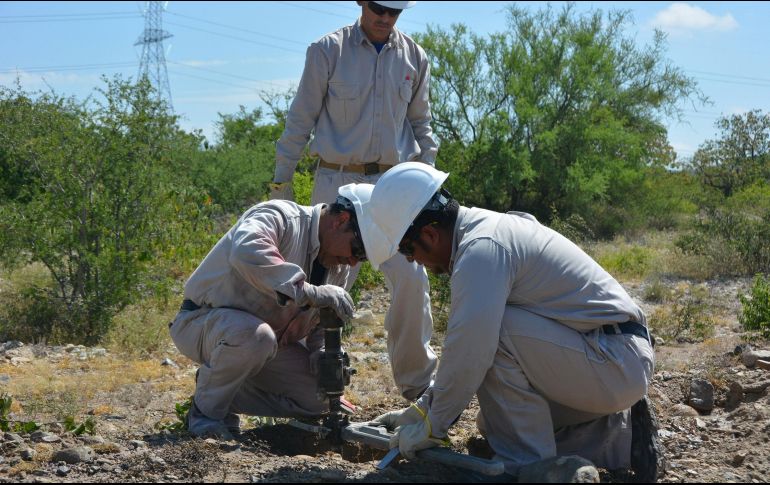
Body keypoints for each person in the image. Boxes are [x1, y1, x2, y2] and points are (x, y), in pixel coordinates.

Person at [355, 162, 662, 481]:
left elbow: (470, 349)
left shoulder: (482, 250)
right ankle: (621, 437)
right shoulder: (485, 232)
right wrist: (422, 410)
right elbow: (467, 356)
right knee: (495, 422)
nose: (411, 260)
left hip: (613, 360)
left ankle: (525, 468)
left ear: (430, 234)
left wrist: (434, 423)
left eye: (408, 250)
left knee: (494, 335)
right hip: (609, 360)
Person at [269, 1, 439, 401]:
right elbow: (300, 120)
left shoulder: (415, 57)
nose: (385, 17)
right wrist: (282, 183)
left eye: (394, 11)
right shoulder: (326, 50)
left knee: (413, 276)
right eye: (379, 7)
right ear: (362, 2)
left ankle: (421, 390)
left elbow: (422, 125)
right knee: (323, 284)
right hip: (336, 182)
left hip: (392, 185)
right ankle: (316, 385)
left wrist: (426, 180)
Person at [169, 193, 369, 439]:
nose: (351, 262)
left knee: (319, 399)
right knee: (255, 336)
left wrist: (320, 354)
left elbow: (320, 321)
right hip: (202, 322)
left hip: (266, 344)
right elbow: (246, 250)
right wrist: (308, 291)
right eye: (356, 249)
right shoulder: (281, 217)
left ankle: (220, 390)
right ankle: (205, 414)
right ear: (341, 221)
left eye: (361, 258)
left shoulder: (338, 266)